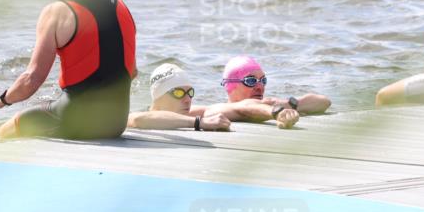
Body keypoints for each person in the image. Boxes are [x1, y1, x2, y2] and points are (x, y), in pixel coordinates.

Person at [0, 0, 136, 140]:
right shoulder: (121, 7)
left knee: (5, 132)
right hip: (116, 123)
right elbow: (131, 72)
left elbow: (31, 79)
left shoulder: (56, 12)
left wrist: (2, 100)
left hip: (75, 120)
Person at [128, 63, 298, 130]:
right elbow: (139, 120)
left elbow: (240, 108)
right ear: (159, 97)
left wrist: (275, 112)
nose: (187, 99)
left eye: (190, 92)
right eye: (179, 93)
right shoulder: (133, 116)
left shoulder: (193, 111)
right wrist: (199, 123)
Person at [220, 55, 330, 116]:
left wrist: (287, 104)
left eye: (263, 81)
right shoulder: (217, 112)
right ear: (231, 86)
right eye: (251, 81)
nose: (260, 87)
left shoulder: (270, 104)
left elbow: (324, 101)